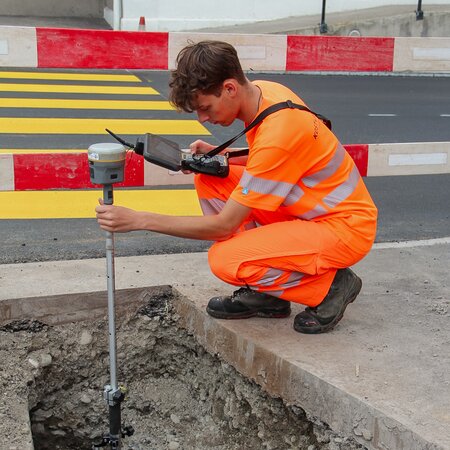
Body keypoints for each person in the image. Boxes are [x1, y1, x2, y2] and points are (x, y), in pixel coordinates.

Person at [96, 40, 377, 334]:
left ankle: (331, 287)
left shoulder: (279, 134)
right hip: (312, 211)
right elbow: (279, 155)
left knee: (225, 259)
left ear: (230, 88)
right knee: (210, 177)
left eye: (205, 107)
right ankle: (268, 291)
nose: (203, 118)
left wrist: (140, 219)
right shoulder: (267, 92)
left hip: (344, 229)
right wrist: (226, 154)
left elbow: (223, 226)